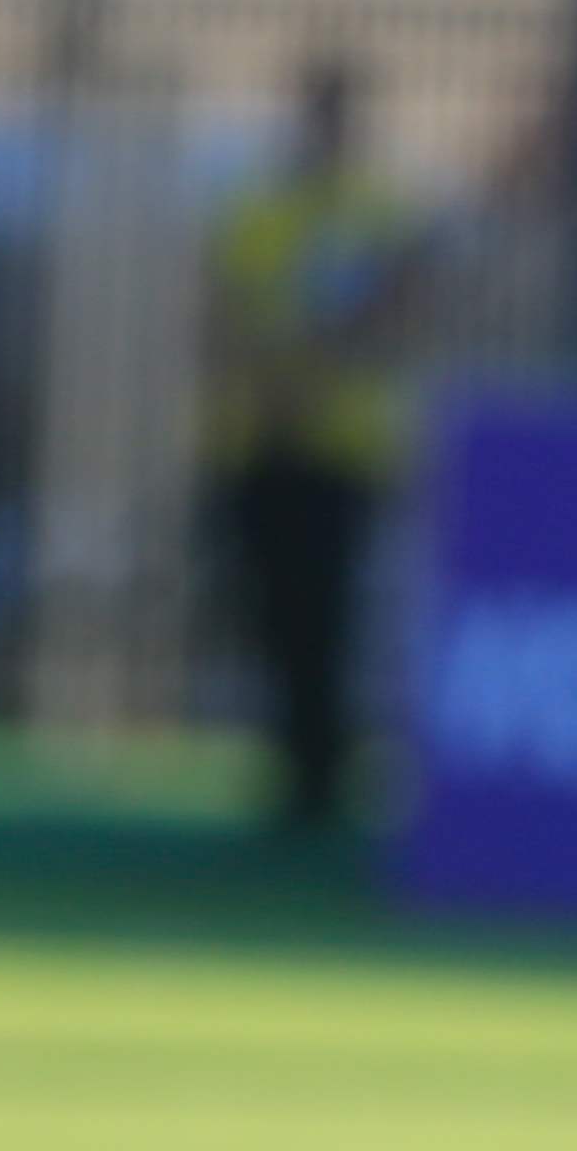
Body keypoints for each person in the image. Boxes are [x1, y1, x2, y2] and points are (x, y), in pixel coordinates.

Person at [203, 57, 426, 834]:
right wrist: (279, 376)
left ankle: (324, 768)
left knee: (329, 608)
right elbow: (222, 315)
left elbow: (396, 317)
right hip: (258, 441)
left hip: (340, 449)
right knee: (269, 607)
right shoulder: (257, 210)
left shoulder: (379, 216)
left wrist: (316, 361)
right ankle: (292, 760)